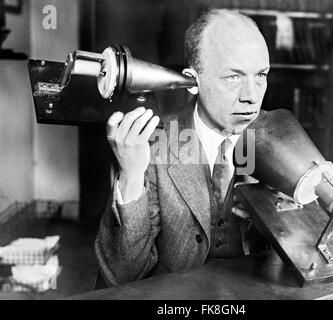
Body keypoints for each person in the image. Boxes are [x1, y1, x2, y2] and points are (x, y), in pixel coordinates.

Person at [95, 8, 271, 286]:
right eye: (233, 77)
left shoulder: (280, 136)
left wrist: (287, 218)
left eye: (261, 74)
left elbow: (311, 262)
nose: (251, 97)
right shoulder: (151, 145)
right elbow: (122, 276)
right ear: (192, 81)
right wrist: (130, 176)